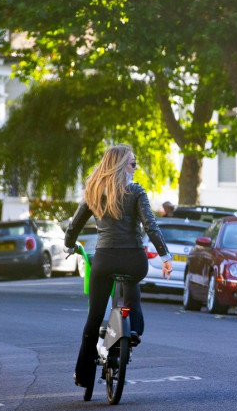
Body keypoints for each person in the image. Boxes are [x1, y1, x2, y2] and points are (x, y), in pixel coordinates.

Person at [65, 144, 172, 390]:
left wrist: (69, 244)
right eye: (133, 164)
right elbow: (151, 226)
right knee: (130, 284)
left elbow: (75, 224)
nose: (136, 169)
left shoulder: (94, 191)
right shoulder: (136, 192)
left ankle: (83, 374)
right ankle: (132, 329)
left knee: (94, 317)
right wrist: (165, 257)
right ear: (121, 165)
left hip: (104, 260)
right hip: (134, 259)